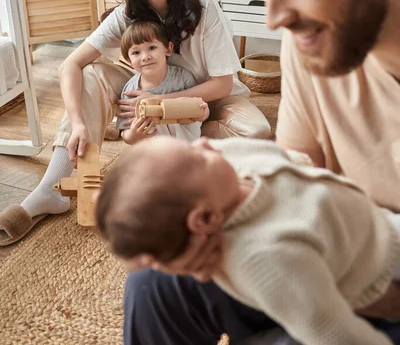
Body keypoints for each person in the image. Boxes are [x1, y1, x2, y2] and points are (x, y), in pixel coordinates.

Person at [119, 0, 400, 344]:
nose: (275, 18)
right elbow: (293, 173)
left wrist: (344, 290)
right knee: (155, 284)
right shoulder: (313, 45)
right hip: (341, 248)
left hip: (379, 281)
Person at [0, 0, 270, 246]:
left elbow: (223, 83)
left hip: (210, 97)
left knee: (256, 131)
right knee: (90, 76)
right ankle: (50, 189)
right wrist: (77, 124)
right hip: (146, 95)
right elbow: (68, 64)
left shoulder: (202, 4)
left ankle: (159, 143)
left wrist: (164, 104)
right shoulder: (126, 14)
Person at [97, 135, 400, 345]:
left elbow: (282, 156)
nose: (205, 143)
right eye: (198, 157)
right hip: (369, 274)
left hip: (379, 224)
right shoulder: (265, 257)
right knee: (149, 282)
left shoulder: (226, 168)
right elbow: (332, 332)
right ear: (204, 219)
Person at [117, 19, 201, 143]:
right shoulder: (131, 91)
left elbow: (199, 112)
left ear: (168, 49)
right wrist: (134, 134)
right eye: (136, 52)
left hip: (185, 144)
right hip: (154, 148)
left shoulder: (182, 78)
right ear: (128, 60)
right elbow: (126, 134)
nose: (146, 57)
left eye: (152, 47)